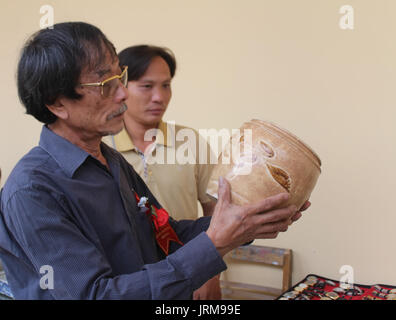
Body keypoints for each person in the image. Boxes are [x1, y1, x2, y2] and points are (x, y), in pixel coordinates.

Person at [0, 22, 308, 300]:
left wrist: (247, 218)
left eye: (119, 76)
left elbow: (166, 236)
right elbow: (95, 295)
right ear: (57, 103)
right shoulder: (31, 191)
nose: (123, 93)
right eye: (105, 84)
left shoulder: (110, 161)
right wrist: (213, 246)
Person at [103, 45, 219, 299]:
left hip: (191, 278)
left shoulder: (191, 141)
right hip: (128, 286)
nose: (159, 97)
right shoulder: (101, 149)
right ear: (121, 87)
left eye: (166, 85)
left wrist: (210, 273)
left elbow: (216, 212)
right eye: (147, 86)